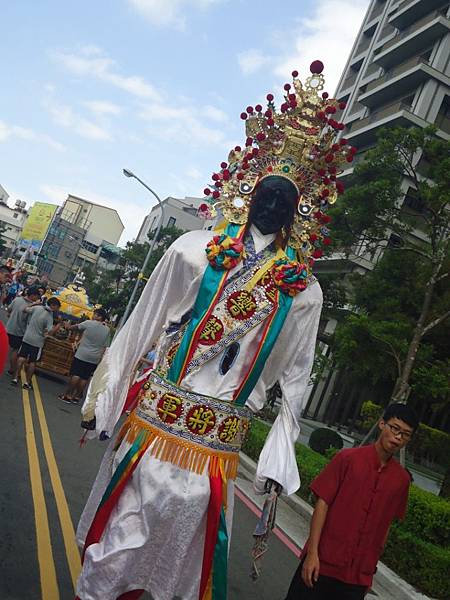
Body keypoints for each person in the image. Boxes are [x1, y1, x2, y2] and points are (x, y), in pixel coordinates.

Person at [75, 62, 354, 600]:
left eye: (285, 201)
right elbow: (143, 324)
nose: (272, 207)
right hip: (157, 424)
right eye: (266, 194)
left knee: (182, 559)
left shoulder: (304, 290)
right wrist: (106, 397)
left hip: (216, 446)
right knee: (119, 543)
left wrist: (278, 457)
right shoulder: (192, 249)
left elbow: (297, 375)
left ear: (301, 211)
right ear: (249, 192)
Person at [284, 403, 419, 600]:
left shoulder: (401, 480)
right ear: (382, 424)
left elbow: (386, 525)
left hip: (357, 577)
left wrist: (369, 572)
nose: (398, 437)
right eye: (395, 428)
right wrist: (312, 554)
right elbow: (322, 504)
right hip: (321, 563)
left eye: (405, 434)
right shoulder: (348, 459)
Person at [60, 308, 110, 404]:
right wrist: (100, 359)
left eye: (95, 314)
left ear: (99, 317)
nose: (93, 316)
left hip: (82, 354)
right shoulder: (107, 330)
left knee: (76, 375)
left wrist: (67, 326)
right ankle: (76, 397)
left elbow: (74, 327)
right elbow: (105, 346)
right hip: (94, 357)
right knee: (84, 378)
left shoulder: (88, 323)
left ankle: (67, 395)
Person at [12, 297, 62, 389]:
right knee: (32, 362)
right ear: (53, 305)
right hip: (37, 342)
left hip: (27, 337)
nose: (57, 310)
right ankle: (27, 382)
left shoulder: (37, 308)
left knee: (21, 357)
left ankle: (15, 378)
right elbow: (50, 331)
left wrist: (34, 303)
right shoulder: (49, 316)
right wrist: (58, 326)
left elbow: (24, 309)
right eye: (57, 307)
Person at [6, 286, 41, 376]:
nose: (37, 299)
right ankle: (12, 369)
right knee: (15, 351)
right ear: (33, 296)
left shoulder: (17, 299)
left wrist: (11, 315)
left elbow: (9, 309)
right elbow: (31, 321)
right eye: (37, 296)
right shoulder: (31, 307)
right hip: (19, 331)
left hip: (9, 327)